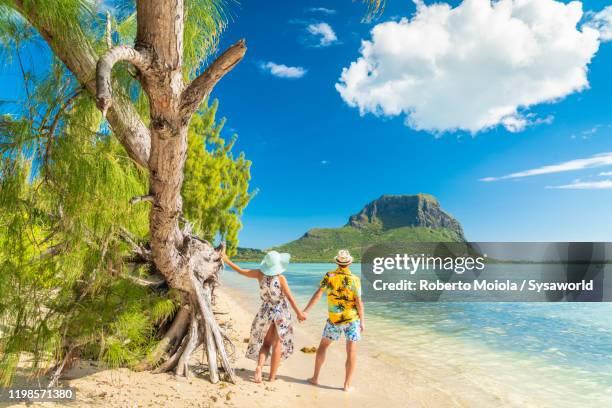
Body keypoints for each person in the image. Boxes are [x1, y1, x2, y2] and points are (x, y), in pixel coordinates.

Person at [222, 249, 306, 383]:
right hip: (280, 313)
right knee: (277, 345)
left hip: (265, 312)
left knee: (266, 343)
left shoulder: (259, 274)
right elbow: (290, 298)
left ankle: (259, 367)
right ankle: (272, 378)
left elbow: (241, 271)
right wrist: (299, 313)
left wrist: (227, 261)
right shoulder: (281, 278)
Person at [303, 249, 365, 392]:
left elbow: (318, 294)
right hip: (352, 319)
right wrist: (362, 321)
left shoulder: (329, 276)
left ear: (337, 262)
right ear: (350, 263)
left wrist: (306, 311)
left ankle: (315, 378)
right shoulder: (355, 280)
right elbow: (359, 302)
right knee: (351, 352)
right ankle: (347, 385)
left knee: (323, 346)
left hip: (334, 320)